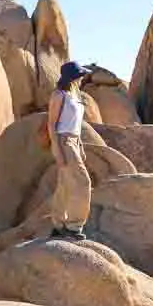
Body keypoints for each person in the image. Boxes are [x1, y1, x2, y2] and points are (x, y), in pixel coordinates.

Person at [47, 61, 92, 239]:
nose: (82, 78)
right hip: (64, 141)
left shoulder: (75, 96)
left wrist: (80, 146)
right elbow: (51, 124)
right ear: (72, 78)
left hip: (73, 141)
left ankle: (58, 225)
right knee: (83, 183)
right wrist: (57, 149)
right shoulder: (59, 95)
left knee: (65, 185)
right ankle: (74, 226)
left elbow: (76, 126)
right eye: (80, 75)